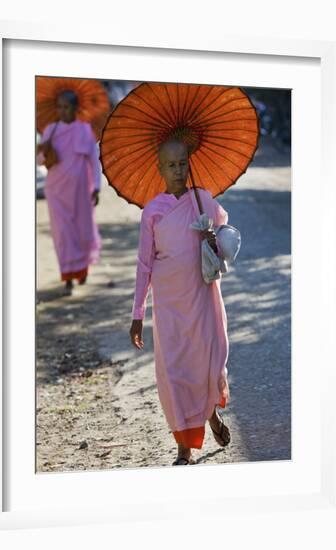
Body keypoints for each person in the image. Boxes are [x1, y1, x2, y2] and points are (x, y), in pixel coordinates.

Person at [129, 138, 231, 466]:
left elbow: (227, 239)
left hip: (200, 298)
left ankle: (210, 415)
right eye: (170, 165)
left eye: (183, 163)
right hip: (169, 304)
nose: (178, 170)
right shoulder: (153, 212)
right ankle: (183, 448)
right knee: (173, 371)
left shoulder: (202, 201)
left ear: (189, 163)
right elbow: (145, 264)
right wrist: (137, 313)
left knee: (201, 364)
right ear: (159, 168)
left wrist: (213, 239)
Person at [37, 90, 102, 295]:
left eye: (66, 107)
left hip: (81, 191)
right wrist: (42, 149)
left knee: (82, 231)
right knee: (62, 233)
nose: (62, 111)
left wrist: (97, 187)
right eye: (60, 106)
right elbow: (40, 162)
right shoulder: (50, 130)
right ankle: (67, 275)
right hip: (56, 190)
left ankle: (82, 269)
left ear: (75, 108)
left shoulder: (84, 130)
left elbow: (93, 160)